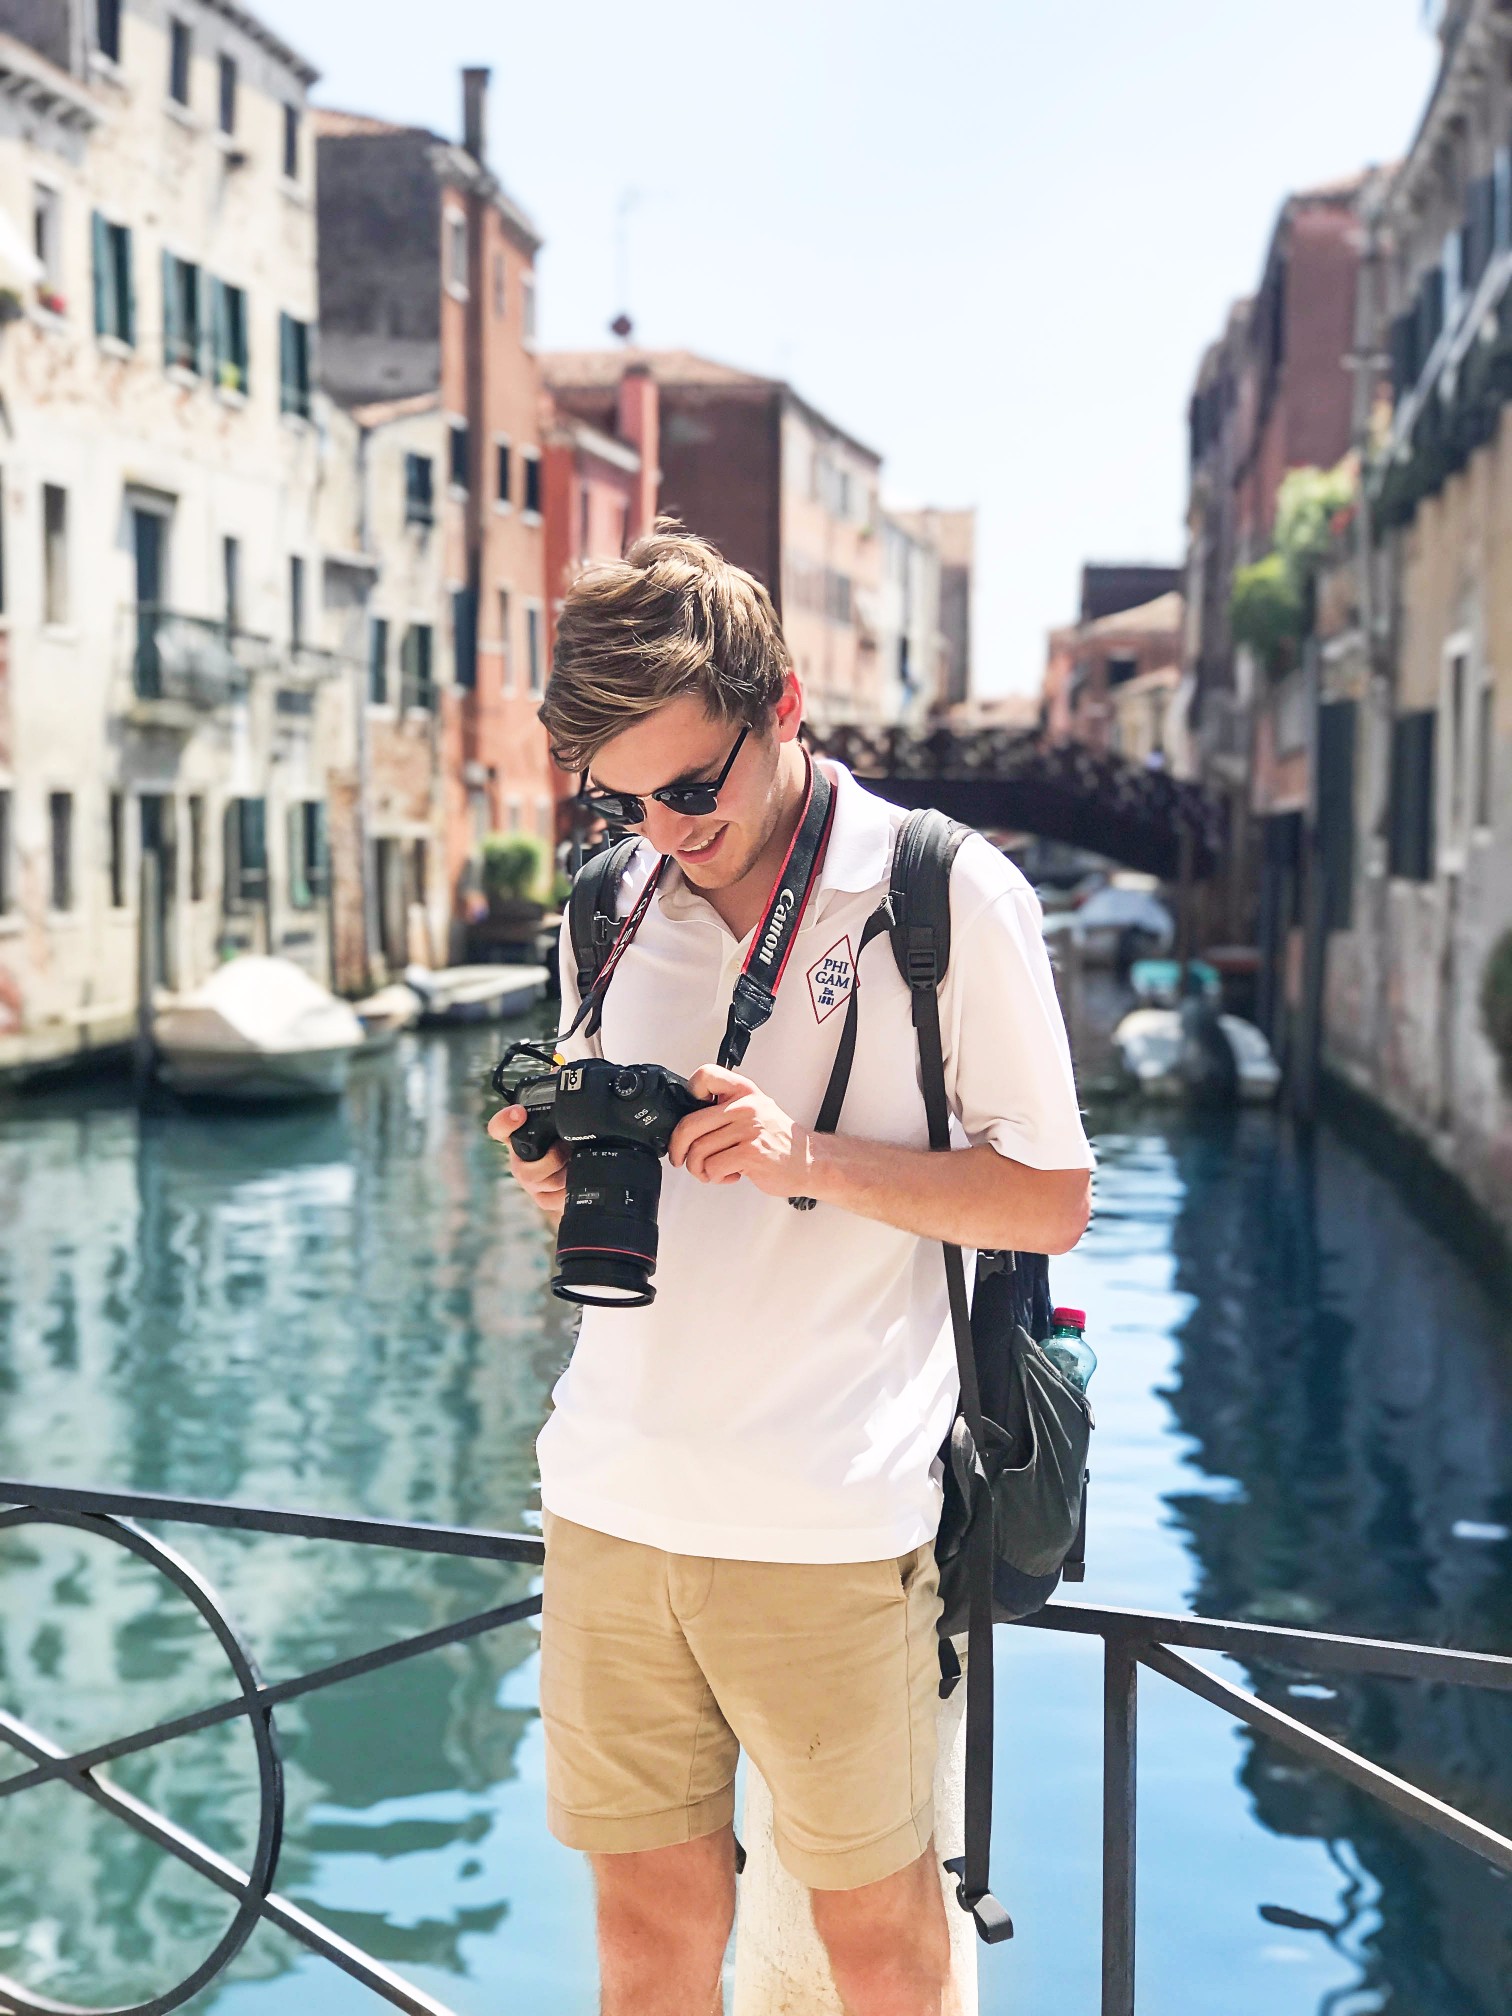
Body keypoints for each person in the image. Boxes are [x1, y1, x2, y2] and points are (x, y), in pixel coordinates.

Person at [489, 523, 1093, 2016]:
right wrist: (555, 1185)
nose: (662, 826)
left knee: (881, 1954)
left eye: (694, 786)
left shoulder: (942, 899)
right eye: (620, 796)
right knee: (642, 1947)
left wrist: (804, 1155)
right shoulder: (606, 908)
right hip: (610, 1499)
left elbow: (1054, 1202)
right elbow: (622, 1233)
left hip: (833, 1522)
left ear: (787, 705)